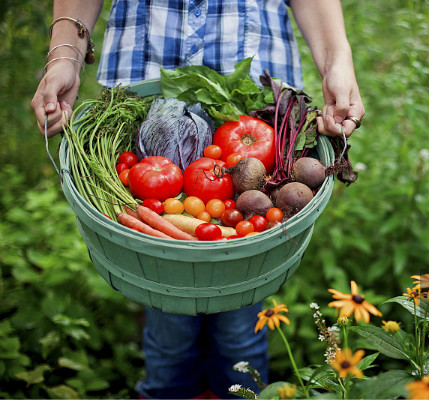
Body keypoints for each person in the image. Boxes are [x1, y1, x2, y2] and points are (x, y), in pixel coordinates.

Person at [31, 1, 365, 398]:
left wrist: (337, 60)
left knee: (240, 324)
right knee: (166, 316)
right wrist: (64, 53)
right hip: (144, 85)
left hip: (256, 90)